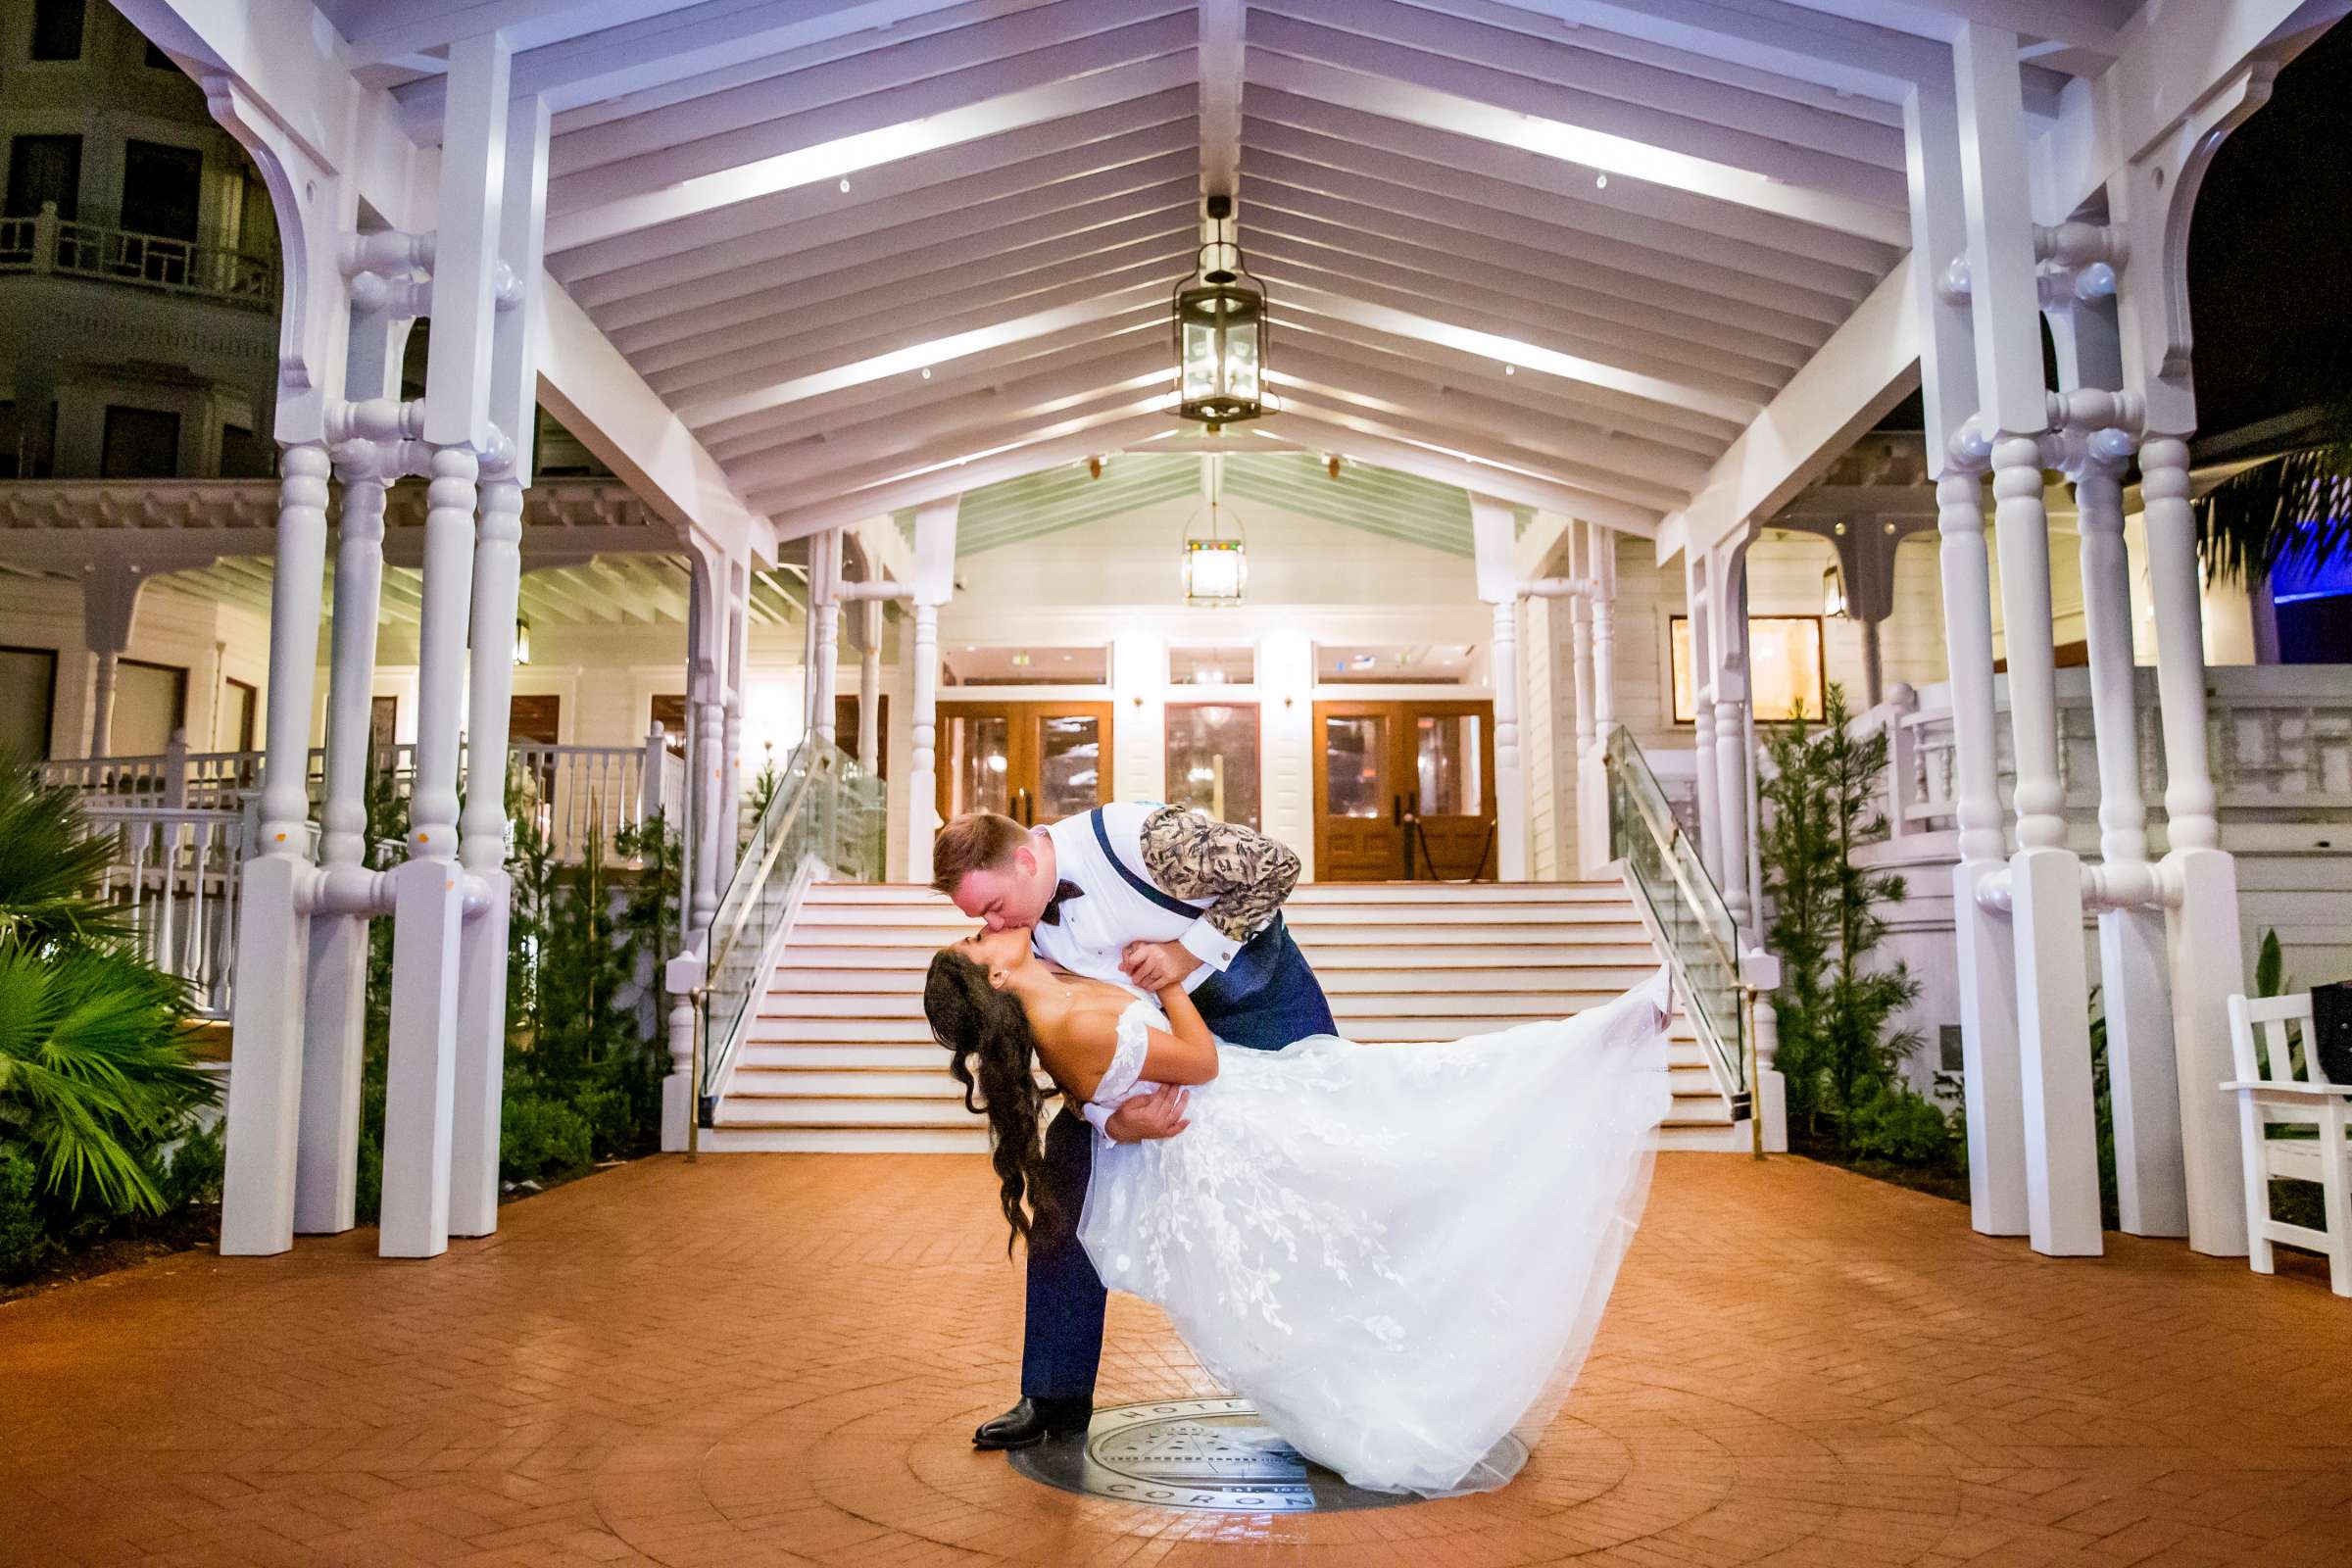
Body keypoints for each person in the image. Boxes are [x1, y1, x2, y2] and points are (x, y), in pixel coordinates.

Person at [924, 926, 1673, 1496]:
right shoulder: (1066, 1022)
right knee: (1426, 1127)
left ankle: (1612, 1034)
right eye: (977, 934)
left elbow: (1093, 1095)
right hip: (1239, 1118)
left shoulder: (1054, 985)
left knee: (1424, 1094)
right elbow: (1200, 1062)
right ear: (994, 972)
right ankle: (1605, 1043)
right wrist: (1171, 984)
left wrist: (1114, 1118)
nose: (983, 921)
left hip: (1257, 1097)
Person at [931, 804, 1335, 1451]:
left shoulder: (1139, 840)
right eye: (979, 920)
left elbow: (1276, 865)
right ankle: (1053, 1394)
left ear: (1027, 859)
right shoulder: (1021, 935)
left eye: (995, 907)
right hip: (1158, 1039)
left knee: (1321, 1177)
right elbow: (1063, 1040)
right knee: (1063, 1166)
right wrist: (1106, 1115)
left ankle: (1338, 1367)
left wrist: (1184, 952)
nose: (993, 924)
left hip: (1258, 999)